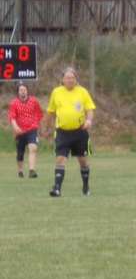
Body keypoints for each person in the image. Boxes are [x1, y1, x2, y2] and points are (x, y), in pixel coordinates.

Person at [43, 67, 96, 197]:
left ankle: (86, 186)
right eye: (67, 78)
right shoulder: (56, 92)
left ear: (76, 79)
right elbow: (50, 112)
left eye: (72, 78)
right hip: (62, 132)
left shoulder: (82, 92)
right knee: (60, 159)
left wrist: (89, 120)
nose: (70, 80)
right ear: (62, 79)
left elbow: (90, 109)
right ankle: (57, 189)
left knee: (83, 161)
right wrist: (46, 128)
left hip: (80, 132)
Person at [8, 83, 43, 178]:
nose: (23, 92)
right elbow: (12, 117)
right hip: (20, 131)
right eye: (21, 90)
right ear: (18, 92)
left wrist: (37, 124)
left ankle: (32, 171)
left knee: (33, 148)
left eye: (24, 90)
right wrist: (15, 127)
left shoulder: (34, 101)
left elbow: (39, 114)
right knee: (20, 153)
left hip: (32, 129)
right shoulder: (14, 103)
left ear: (27, 91)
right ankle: (20, 171)